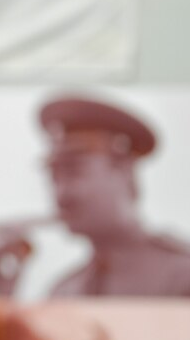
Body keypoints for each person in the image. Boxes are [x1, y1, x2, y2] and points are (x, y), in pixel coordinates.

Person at [41, 96, 190, 296]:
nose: (62, 194)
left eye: (74, 172)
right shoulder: (62, 293)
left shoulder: (181, 277)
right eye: (54, 177)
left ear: (124, 171)